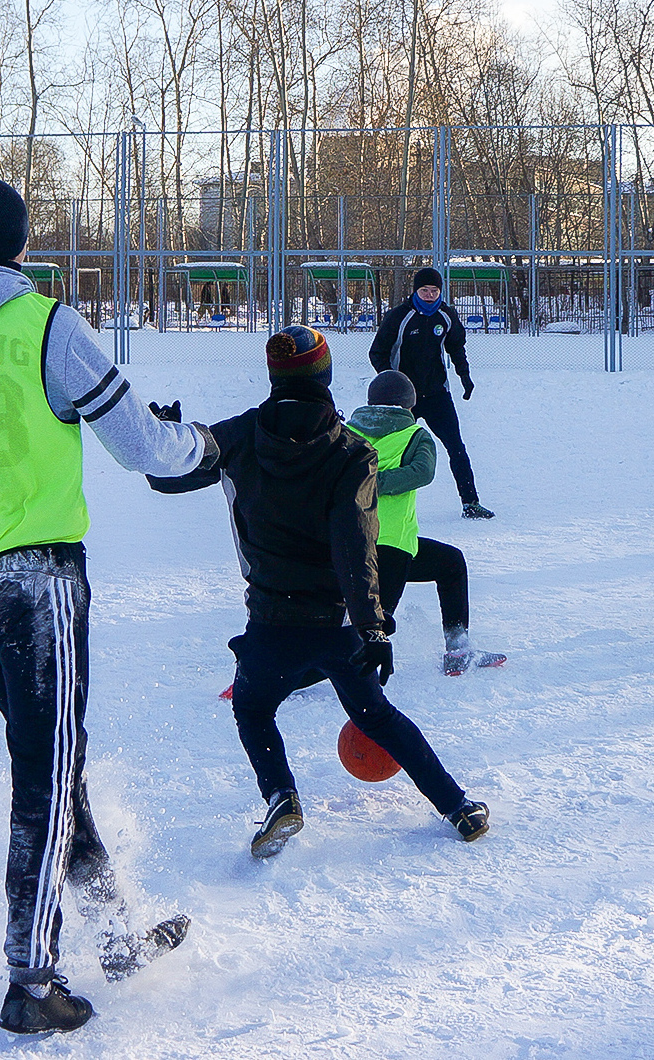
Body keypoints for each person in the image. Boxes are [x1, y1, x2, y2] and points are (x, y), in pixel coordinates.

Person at [0, 175, 207, 1036]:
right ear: (21, 243)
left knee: (51, 762)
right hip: (37, 578)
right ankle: (31, 976)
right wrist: (205, 444)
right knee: (46, 772)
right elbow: (141, 448)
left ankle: (116, 934)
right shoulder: (46, 323)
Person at [150, 325, 490, 862]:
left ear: (272, 376)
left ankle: (282, 796)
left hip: (270, 622)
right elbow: (356, 545)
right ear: (327, 375)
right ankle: (458, 806)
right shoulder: (351, 451)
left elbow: (170, 476)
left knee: (254, 708)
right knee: (377, 717)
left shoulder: (240, 434)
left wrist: (162, 437)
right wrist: (373, 627)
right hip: (337, 625)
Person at [349, 370, 505, 675]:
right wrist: (378, 482)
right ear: (409, 405)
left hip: (351, 543)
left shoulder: (348, 432)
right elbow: (423, 472)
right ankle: (276, 676)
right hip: (393, 546)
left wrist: (364, 483)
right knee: (372, 631)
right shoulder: (415, 434)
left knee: (449, 563)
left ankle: (459, 649)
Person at [368, 266, 493, 520]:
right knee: (390, 450)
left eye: (434, 291)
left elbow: (456, 346)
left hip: (437, 394)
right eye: (424, 290)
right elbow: (377, 352)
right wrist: (391, 381)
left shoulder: (446, 315)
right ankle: (371, 499)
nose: (429, 295)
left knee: (456, 446)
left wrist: (464, 375)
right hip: (403, 399)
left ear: (440, 292)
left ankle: (471, 502)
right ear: (416, 290)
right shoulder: (399, 316)